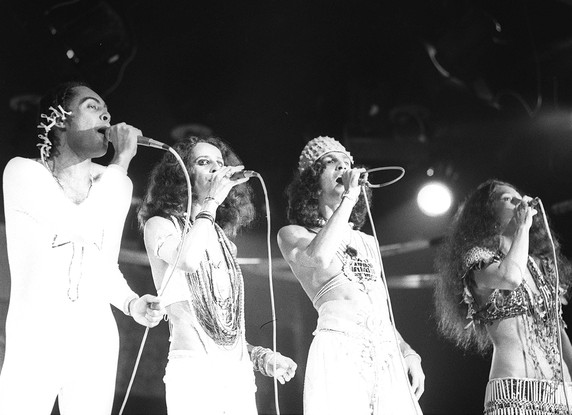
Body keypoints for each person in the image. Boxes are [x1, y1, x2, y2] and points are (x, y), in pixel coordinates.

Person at [0, 81, 165, 415]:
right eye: (92, 106)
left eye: (106, 110)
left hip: (95, 339)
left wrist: (130, 302)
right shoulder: (23, 172)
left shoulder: (116, 182)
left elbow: (103, 264)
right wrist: (121, 160)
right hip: (36, 338)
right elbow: (77, 227)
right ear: (59, 119)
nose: (105, 114)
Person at [138, 135, 297, 415]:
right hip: (193, 372)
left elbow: (225, 327)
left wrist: (260, 357)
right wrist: (210, 202)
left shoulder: (224, 242)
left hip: (238, 377)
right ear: (182, 175)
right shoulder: (160, 226)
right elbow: (187, 259)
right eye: (203, 162)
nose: (215, 168)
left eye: (219, 163)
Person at [277, 136, 424, 415]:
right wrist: (349, 197)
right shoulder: (294, 234)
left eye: (346, 162)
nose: (342, 168)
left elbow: (378, 308)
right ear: (312, 181)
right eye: (330, 163)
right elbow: (318, 258)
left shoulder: (367, 241)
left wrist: (406, 351)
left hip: (384, 353)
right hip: (340, 349)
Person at [434, 179, 572, 414]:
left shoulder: (540, 266)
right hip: (514, 392)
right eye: (507, 198)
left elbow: (557, 329)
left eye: (519, 196)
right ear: (487, 211)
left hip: (561, 393)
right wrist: (521, 228)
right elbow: (510, 278)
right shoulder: (478, 259)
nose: (518, 201)